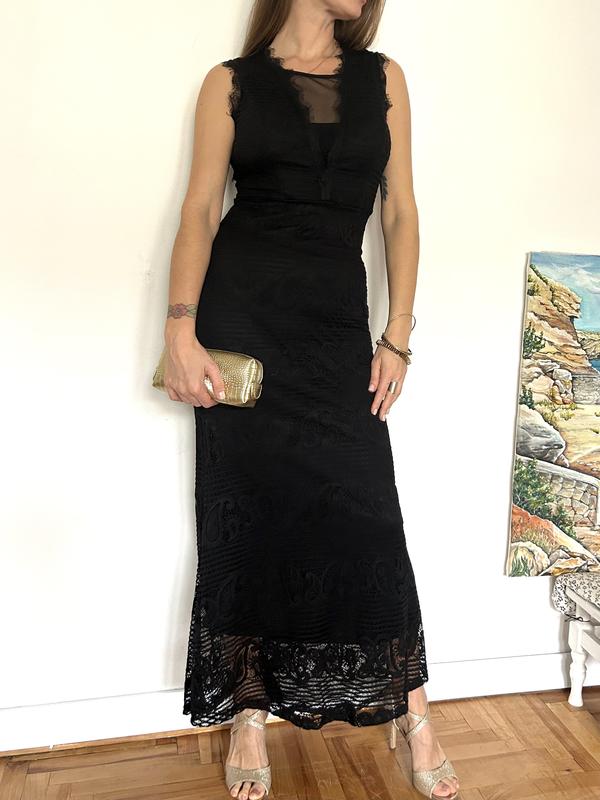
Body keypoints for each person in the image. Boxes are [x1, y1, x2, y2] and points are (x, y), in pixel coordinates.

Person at [163, 1, 460, 798]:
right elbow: (200, 208)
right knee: (251, 511)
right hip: (243, 322)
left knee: (368, 514)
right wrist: (180, 329)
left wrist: (397, 334)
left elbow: (400, 208)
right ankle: (249, 713)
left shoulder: (382, 79)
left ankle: (412, 712)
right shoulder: (229, 84)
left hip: (335, 330)